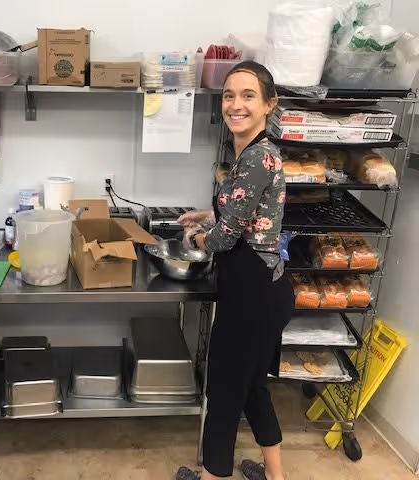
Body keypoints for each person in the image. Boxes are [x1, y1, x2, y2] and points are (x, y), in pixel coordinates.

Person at [175, 61, 294, 480]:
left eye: (248, 96)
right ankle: (275, 474)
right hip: (264, 287)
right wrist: (208, 213)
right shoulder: (252, 153)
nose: (235, 104)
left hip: (252, 291)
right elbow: (246, 213)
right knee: (251, 386)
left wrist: (199, 239)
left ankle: (212, 476)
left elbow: (227, 237)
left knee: (224, 391)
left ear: (269, 104)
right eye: (229, 95)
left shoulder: (256, 158)